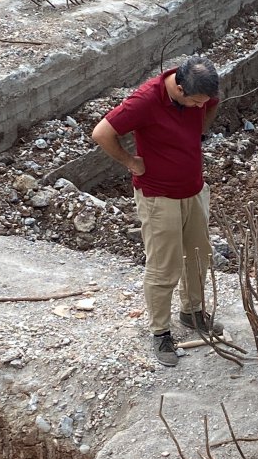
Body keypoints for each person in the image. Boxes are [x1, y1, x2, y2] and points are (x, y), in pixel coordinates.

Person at [91, 56, 223, 368]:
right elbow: (101, 133)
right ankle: (161, 331)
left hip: (193, 189)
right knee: (165, 265)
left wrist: (199, 129)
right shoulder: (146, 100)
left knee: (199, 254)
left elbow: (212, 104)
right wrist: (130, 162)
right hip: (159, 196)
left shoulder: (200, 92)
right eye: (196, 102)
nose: (200, 106)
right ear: (179, 89)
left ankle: (192, 312)